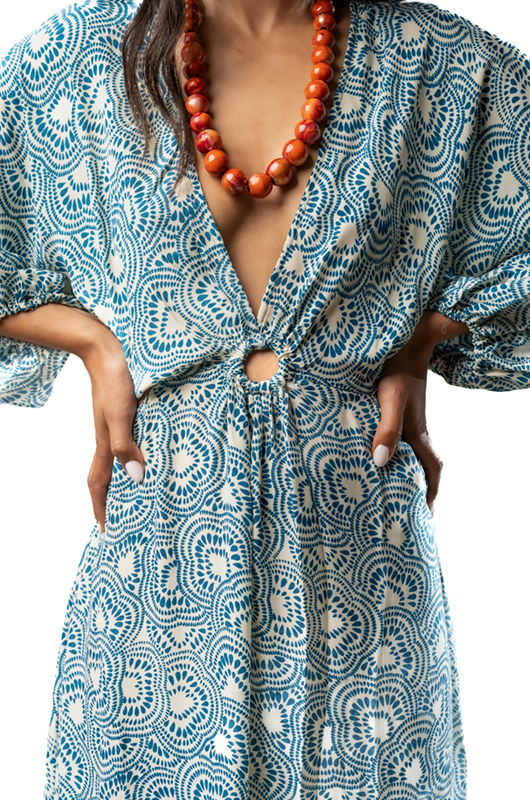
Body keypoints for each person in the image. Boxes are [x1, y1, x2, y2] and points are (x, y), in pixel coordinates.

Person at [0, 0, 528, 796]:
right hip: (157, 591)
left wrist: (423, 339)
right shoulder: (77, 60)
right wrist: (94, 343)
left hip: (364, 585)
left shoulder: (441, 64)